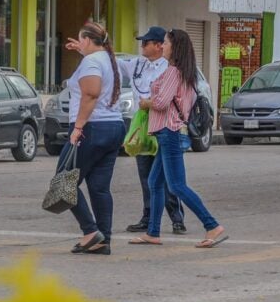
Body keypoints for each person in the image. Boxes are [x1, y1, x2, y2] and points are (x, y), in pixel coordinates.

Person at [130, 28, 227, 248]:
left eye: (165, 43)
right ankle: (153, 232)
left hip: (169, 131)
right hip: (167, 131)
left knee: (176, 185)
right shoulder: (183, 71)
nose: (162, 46)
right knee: (155, 182)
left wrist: (146, 103)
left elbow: (162, 102)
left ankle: (212, 225)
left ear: (175, 47)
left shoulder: (175, 72)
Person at [59, 20, 127, 255]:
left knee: (64, 180)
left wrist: (78, 127)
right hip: (114, 126)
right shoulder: (108, 58)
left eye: (81, 40)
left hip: (91, 127)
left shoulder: (91, 61)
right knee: (99, 187)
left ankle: (90, 231)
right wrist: (83, 50)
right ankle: (103, 240)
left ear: (88, 40)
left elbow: (91, 93)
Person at [117, 25, 187, 235]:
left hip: (162, 124)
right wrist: (101, 46)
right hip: (142, 124)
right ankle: (148, 217)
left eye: (146, 43)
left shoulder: (169, 68)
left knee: (166, 177)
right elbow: (117, 64)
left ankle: (177, 217)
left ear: (159, 46)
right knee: (145, 174)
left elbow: (165, 100)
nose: (142, 46)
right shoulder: (139, 64)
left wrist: (150, 103)